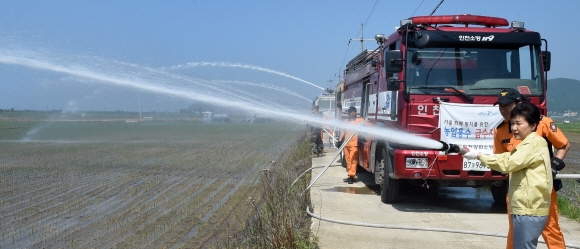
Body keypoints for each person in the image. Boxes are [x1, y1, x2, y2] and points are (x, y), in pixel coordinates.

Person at [462, 102, 552, 249]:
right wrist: (478, 155)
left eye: (519, 123)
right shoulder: (526, 144)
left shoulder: (533, 145)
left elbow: (507, 164)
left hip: (529, 209)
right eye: (512, 123)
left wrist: (478, 156)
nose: (514, 128)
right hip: (525, 208)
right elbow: (506, 158)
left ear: (533, 125)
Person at [493, 89, 570, 249]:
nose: (503, 109)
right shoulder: (499, 131)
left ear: (518, 104)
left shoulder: (542, 123)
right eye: (500, 105)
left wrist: (553, 167)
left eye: (507, 105)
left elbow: (563, 145)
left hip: (542, 188)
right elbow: (500, 159)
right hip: (516, 190)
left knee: (550, 229)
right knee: (516, 230)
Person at [338, 106, 364, 184]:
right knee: (348, 160)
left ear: (354, 112)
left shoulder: (360, 120)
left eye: (350, 112)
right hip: (346, 144)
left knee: (353, 160)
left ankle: (352, 176)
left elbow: (367, 124)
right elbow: (343, 131)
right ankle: (349, 175)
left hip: (354, 144)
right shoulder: (346, 121)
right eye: (348, 112)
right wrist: (339, 141)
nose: (349, 113)